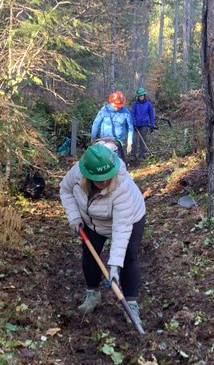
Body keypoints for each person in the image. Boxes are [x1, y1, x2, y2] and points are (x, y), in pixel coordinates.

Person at [59, 143, 146, 326]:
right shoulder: (76, 174)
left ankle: (131, 304)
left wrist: (114, 266)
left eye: (108, 177)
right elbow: (65, 190)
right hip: (93, 220)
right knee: (90, 253)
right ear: (88, 175)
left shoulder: (123, 187)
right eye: (100, 179)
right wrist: (74, 218)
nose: (105, 182)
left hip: (130, 218)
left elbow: (121, 229)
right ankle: (93, 295)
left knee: (129, 256)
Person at [90, 91, 134, 160]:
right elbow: (96, 123)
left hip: (119, 141)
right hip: (104, 139)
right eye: (115, 106)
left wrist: (129, 143)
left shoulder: (126, 113)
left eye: (118, 106)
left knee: (118, 160)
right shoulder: (104, 110)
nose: (117, 108)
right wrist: (93, 136)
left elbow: (130, 128)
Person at [130, 87, 155, 160]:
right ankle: (133, 154)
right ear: (137, 96)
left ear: (144, 95)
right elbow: (132, 114)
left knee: (142, 141)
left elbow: (151, 115)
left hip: (144, 125)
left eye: (142, 95)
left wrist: (151, 124)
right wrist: (134, 123)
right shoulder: (135, 104)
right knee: (133, 140)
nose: (141, 97)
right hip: (135, 125)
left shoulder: (148, 104)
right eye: (139, 96)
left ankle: (141, 155)